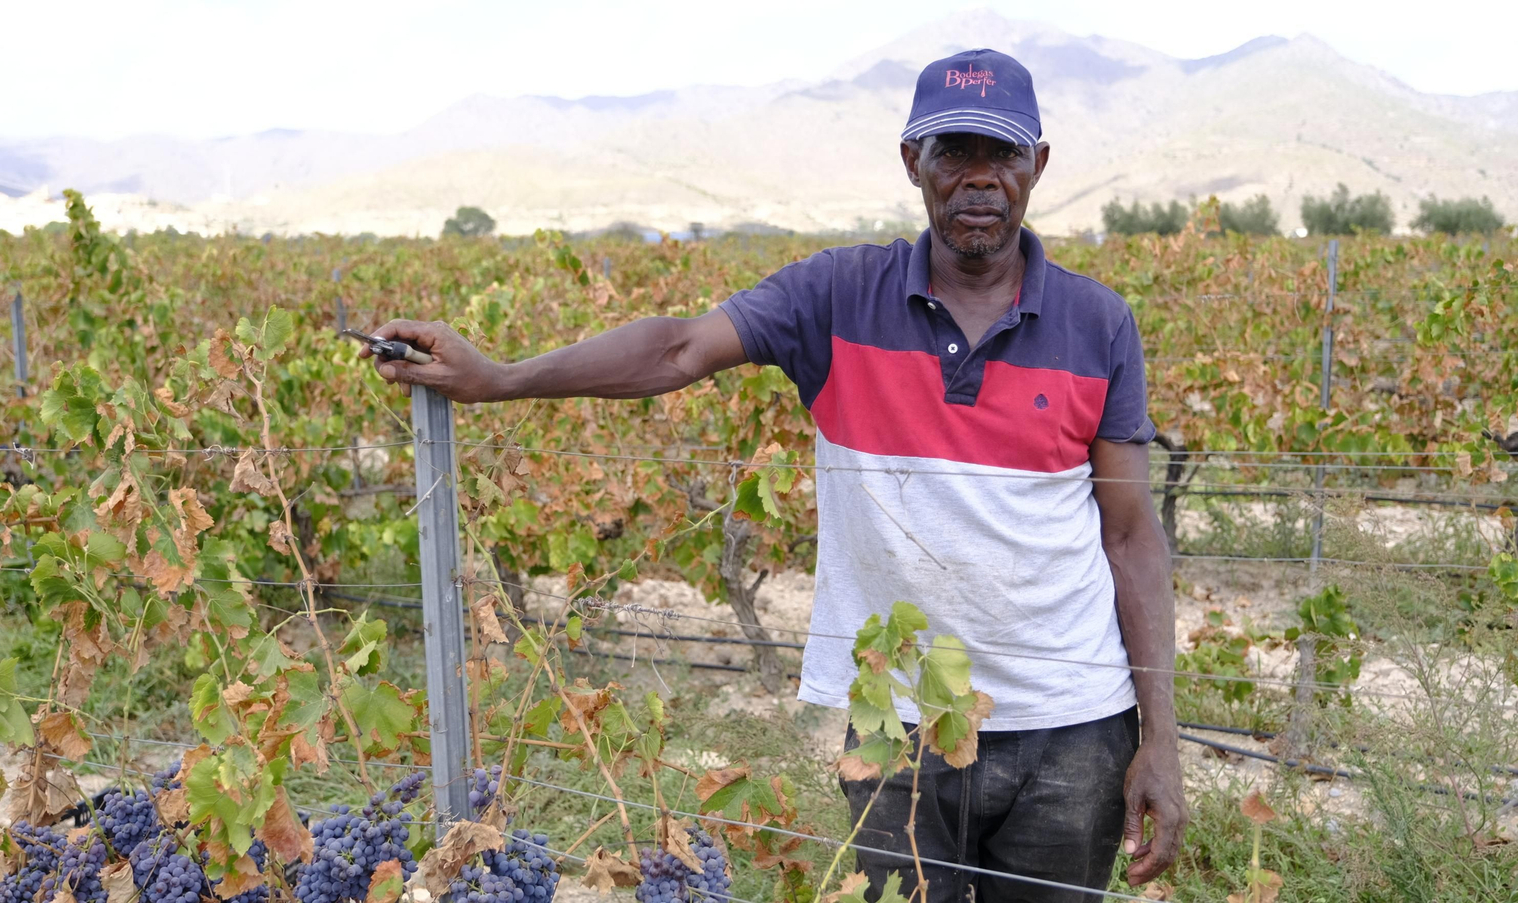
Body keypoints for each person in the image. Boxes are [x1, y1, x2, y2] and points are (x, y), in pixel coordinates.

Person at [365, 48, 1186, 903]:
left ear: (1037, 165)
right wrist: (499, 378)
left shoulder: (1099, 322)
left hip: (1073, 728)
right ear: (913, 162)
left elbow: (1131, 538)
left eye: (1003, 153)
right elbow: (679, 347)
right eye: (954, 152)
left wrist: (1160, 739)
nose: (979, 177)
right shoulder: (835, 295)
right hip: (895, 723)